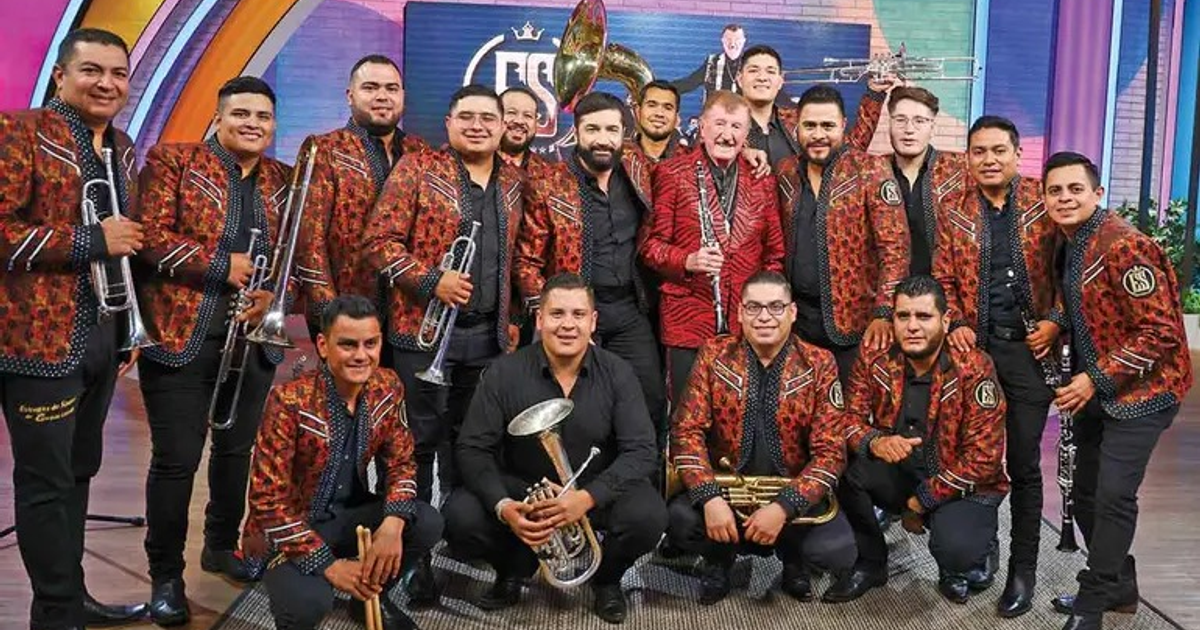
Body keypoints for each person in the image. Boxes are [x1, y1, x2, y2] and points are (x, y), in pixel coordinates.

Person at [0, 26, 149, 630]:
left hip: (104, 333)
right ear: (61, 75)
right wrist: (92, 239)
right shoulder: (19, 133)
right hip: (37, 342)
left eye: (117, 73)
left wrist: (127, 323)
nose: (106, 83)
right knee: (45, 483)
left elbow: (127, 245)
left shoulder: (122, 144)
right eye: (92, 70)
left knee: (80, 471)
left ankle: (68, 597)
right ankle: (55, 615)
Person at [133, 76, 291, 625]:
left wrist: (273, 294)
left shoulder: (284, 180)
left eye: (263, 116)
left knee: (235, 451)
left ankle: (221, 546)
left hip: (250, 341)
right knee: (176, 462)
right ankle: (166, 576)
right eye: (241, 113)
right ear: (219, 116)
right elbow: (147, 238)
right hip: (181, 337)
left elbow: (295, 256)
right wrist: (224, 267)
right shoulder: (173, 162)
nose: (253, 124)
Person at [361, 85, 523, 598]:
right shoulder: (416, 168)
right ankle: (415, 557)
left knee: (473, 447)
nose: (477, 126)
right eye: (467, 117)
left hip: (489, 339)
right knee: (418, 447)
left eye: (487, 119)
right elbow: (377, 243)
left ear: (502, 128)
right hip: (423, 335)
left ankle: (461, 537)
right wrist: (433, 280)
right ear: (449, 123)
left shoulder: (516, 181)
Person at [444, 273, 666, 624]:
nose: (567, 325)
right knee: (460, 515)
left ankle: (607, 580)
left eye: (578, 315)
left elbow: (641, 451)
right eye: (557, 314)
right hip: (525, 493)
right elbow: (472, 448)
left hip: (592, 493)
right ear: (540, 319)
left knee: (649, 515)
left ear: (593, 321)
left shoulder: (618, 373)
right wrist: (505, 507)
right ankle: (511, 570)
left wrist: (588, 497)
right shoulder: (504, 373)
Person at [1040, 152, 1192, 630]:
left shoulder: (1126, 246)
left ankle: (1092, 604)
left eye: (1075, 189)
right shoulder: (1068, 240)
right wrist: (1055, 324)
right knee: (1084, 494)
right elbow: (1088, 300)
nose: (1065, 198)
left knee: (1111, 496)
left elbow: (1161, 333)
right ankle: (1120, 587)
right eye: (1055, 191)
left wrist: (1093, 379)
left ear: (1097, 193)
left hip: (1146, 390)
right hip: (1099, 390)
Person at [243, 295, 443, 630]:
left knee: (425, 522)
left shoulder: (388, 385)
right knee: (308, 606)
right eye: (348, 345)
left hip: (349, 516)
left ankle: (369, 597)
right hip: (292, 529)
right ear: (323, 345)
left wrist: (393, 523)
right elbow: (267, 502)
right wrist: (330, 567)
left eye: (371, 343)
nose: (362, 355)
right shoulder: (288, 400)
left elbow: (402, 463)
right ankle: (313, 587)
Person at [931, 115, 1063, 618]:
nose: (989, 160)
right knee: (969, 456)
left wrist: (1054, 320)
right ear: (968, 157)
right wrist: (958, 321)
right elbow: (942, 275)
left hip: (1031, 355)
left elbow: (1068, 272)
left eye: (998, 151)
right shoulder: (953, 208)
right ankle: (977, 551)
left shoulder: (1042, 200)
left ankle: (1023, 570)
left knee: (1024, 466)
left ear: (1016, 154)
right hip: (975, 355)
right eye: (979, 151)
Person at [667, 270, 855, 604]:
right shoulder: (713, 353)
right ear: (739, 312)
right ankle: (718, 560)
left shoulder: (820, 363)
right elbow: (686, 430)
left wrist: (783, 508)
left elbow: (831, 454)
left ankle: (793, 557)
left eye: (775, 307)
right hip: (725, 495)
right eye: (753, 307)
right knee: (679, 521)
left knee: (836, 551)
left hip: (790, 501)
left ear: (792, 312)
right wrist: (710, 498)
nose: (764, 316)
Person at [826, 276, 1008, 604]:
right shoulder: (875, 355)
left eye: (923, 317)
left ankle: (971, 555)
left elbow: (985, 457)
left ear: (945, 320)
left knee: (956, 551)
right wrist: (874, 442)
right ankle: (871, 562)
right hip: (902, 469)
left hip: (958, 482)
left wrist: (920, 501)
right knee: (841, 463)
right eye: (903, 316)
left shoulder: (974, 366)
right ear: (892, 317)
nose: (912, 326)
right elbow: (845, 421)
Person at [514, 91, 665, 446]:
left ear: (624, 134)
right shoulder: (548, 183)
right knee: (581, 414)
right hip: (576, 316)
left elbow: (690, 164)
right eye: (592, 129)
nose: (602, 139)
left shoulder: (639, 169)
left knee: (650, 401)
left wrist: (751, 148)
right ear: (576, 132)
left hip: (630, 311)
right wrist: (559, 316)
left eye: (611, 129)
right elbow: (526, 263)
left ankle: (640, 486)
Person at [642, 90, 785, 407]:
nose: (727, 134)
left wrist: (761, 308)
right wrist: (687, 260)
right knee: (685, 417)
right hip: (687, 320)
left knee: (736, 419)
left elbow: (774, 255)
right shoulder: (671, 174)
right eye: (719, 123)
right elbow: (649, 248)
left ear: (747, 135)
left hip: (743, 324)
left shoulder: (763, 180)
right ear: (702, 127)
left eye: (736, 127)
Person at [775, 85, 910, 383]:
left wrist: (884, 312)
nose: (818, 134)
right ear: (796, 126)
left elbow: (895, 248)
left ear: (843, 126)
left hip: (853, 327)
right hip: (795, 325)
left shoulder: (870, 170)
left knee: (848, 421)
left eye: (828, 126)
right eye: (809, 125)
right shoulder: (785, 172)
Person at [294, 55, 428, 345]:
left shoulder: (421, 153)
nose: (382, 96)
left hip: (409, 318)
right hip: (345, 312)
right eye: (370, 87)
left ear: (403, 95)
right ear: (350, 95)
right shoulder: (324, 149)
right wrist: (328, 311)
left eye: (392, 88)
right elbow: (307, 239)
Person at [737, 45, 890, 169]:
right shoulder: (724, 125)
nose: (762, 78)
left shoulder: (798, 121)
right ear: (739, 79)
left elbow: (850, 152)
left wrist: (874, 95)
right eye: (753, 70)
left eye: (770, 71)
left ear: (780, 81)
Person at [882, 86, 968, 276]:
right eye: (900, 120)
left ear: (933, 128)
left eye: (919, 121)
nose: (909, 130)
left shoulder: (958, 170)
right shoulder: (874, 172)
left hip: (940, 292)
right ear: (889, 124)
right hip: (885, 292)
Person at [672, 24, 747, 102]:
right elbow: (689, 83)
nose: (732, 44)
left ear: (744, 41)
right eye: (728, 39)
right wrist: (663, 88)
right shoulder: (712, 62)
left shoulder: (750, 63)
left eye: (737, 39)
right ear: (722, 40)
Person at [496, 85, 554, 176]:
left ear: (536, 123)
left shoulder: (551, 174)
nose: (519, 121)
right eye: (511, 112)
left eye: (528, 115)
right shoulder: (475, 166)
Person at [628, 80, 689, 164]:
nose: (659, 113)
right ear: (638, 112)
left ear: (677, 118)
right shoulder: (619, 159)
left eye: (668, 108)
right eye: (652, 105)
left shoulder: (691, 161)